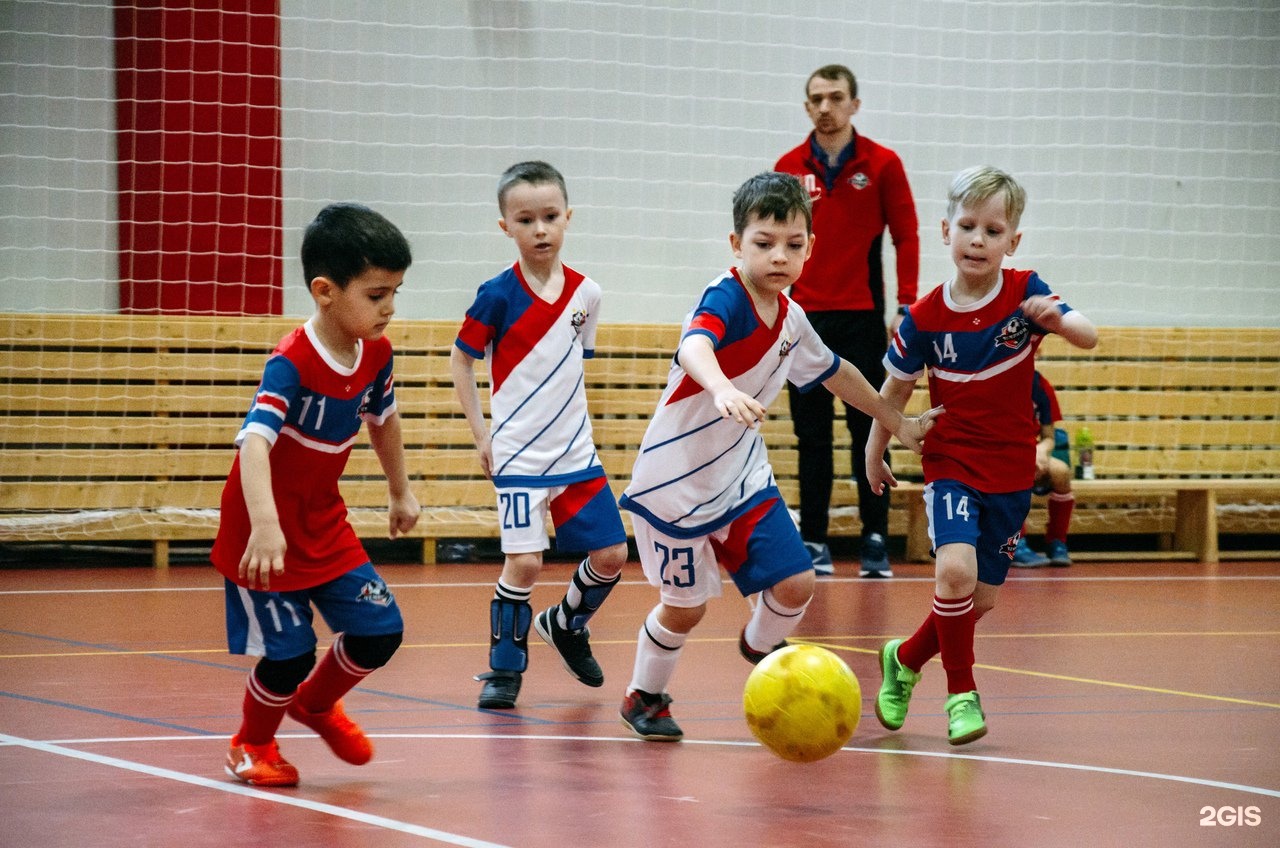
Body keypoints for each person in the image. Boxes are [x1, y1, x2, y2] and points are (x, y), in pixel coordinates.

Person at [616, 171, 941, 742]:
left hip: (741, 479)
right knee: (685, 609)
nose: (779, 256)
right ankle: (644, 694)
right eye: (763, 243)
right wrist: (719, 388)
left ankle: (760, 647)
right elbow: (695, 344)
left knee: (796, 582)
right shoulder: (726, 296)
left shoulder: (791, 319)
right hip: (675, 486)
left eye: (793, 245)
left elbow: (837, 373)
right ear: (736, 244)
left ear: (810, 249)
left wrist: (897, 421)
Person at [866, 166, 1097, 746]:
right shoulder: (922, 318)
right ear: (946, 230)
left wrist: (1060, 322)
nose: (977, 239)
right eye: (966, 226)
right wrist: (875, 451)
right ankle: (961, 696)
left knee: (982, 597)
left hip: (1013, 468)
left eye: (992, 230)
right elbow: (893, 392)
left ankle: (906, 658)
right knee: (954, 570)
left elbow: (1087, 334)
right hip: (952, 461)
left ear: (1012, 242)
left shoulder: (1024, 291)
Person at [210, 203, 419, 787]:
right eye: (376, 295)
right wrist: (266, 525)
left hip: (325, 524)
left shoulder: (376, 352)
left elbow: (383, 418)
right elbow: (253, 446)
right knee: (290, 653)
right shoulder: (292, 362)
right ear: (325, 291)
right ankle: (251, 742)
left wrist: (400, 490)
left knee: (381, 630)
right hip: (263, 531)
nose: (389, 308)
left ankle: (316, 705)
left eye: (395, 293)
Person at [451, 161, 629, 710]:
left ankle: (567, 624)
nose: (541, 229)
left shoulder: (587, 294)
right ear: (506, 226)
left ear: (568, 217)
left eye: (551, 217)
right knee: (525, 563)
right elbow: (461, 361)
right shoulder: (496, 295)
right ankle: (504, 671)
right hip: (520, 454)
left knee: (613, 554)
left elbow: (573, 364)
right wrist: (483, 435)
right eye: (526, 219)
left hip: (575, 451)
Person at [774, 63, 920, 578]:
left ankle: (875, 539)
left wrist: (905, 304)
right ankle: (814, 539)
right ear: (807, 105)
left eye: (836, 97)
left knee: (870, 428)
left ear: (854, 104)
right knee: (811, 437)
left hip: (863, 319)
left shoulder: (882, 164)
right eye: (816, 98)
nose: (825, 107)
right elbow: (772, 241)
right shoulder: (789, 167)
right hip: (804, 321)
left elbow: (906, 234)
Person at [1012, 370, 1076, 567]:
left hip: (1029, 451)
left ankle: (1057, 541)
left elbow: (1049, 436)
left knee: (1061, 471)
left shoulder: (1039, 385)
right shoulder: (994, 376)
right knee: (1014, 473)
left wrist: (1040, 450)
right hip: (1000, 452)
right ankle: (1014, 543)